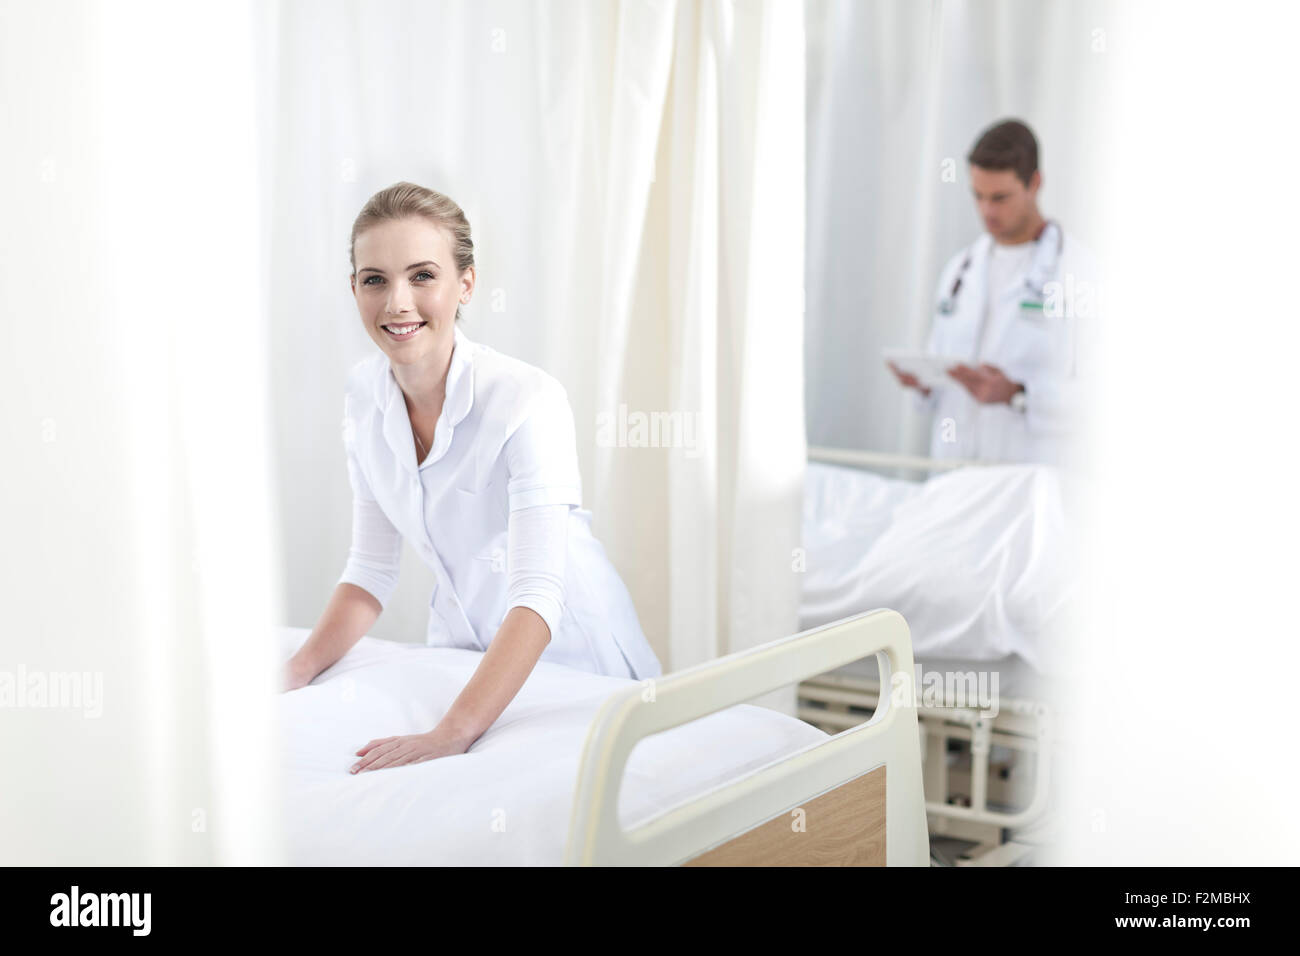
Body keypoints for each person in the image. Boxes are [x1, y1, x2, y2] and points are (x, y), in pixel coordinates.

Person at [282, 182, 662, 773]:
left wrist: (452, 732)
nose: (397, 303)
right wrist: (295, 671)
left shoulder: (525, 400)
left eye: (423, 276)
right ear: (354, 287)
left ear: (465, 284)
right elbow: (371, 571)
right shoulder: (363, 398)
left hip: (578, 659)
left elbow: (538, 595)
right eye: (375, 279)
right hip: (467, 654)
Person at [889, 119, 1098, 466]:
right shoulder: (960, 269)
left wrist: (1020, 395)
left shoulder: (1081, 275)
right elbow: (940, 365)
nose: (987, 211)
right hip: (953, 476)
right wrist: (924, 382)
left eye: (1000, 198)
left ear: (1035, 183)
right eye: (978, 196)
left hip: (1025, 487)